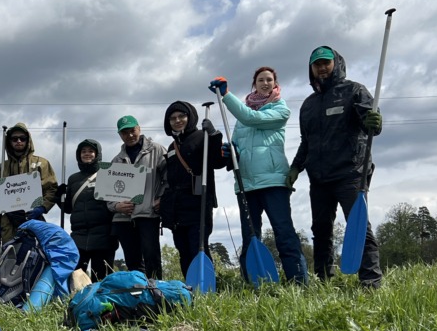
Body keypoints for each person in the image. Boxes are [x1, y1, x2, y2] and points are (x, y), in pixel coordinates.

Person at [287, 46, 384, 287]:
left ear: (336, 64)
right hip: (318, 177)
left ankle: (371, 281)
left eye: (326, 63)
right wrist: (296, 167)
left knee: (358, 225)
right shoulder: (308, 105)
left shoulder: (354, 91)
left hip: (350, 172)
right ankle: (323, 279)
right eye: (317, 64)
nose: (321, 68)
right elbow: (306, 142)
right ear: (311, 69)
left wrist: (375, 121)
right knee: (321, 230)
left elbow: (371, 126)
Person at [215, 71, 308, 284]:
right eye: (260, 80)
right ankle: (252, 282)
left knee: (283, 232)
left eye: (269, 80)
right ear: (254, 84)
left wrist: (226, 95)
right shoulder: (242, 115)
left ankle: (299, 281)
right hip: (246, 183)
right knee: (250, 236)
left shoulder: (280, 109)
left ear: (275, 84)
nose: (265, 83)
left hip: (273, 181)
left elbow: (252, 118)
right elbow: (238, 141)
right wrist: (230, 152)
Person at [160, 101, 227, 278]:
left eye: (182, 116)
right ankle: (189, 289)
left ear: (190, 117)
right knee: (183, 250)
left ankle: (207, 289)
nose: (177, 120)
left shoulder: (201, 137)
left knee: (198, 247)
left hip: (198, 203)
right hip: (177, 208)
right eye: (173, 118)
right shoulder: (172, 147)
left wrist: (214, 135)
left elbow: (217, 162)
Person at [108, 115, 166, 279]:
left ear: (139, 129)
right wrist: (116, 206)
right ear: (120, 135)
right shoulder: (115, 161)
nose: (130, 135)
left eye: (132, 130)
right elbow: (107, 195)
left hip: (148, 213)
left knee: (151, 257)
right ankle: (139, 296)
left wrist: (162, 198)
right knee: (132, 261)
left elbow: (170, 179)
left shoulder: (158, 150)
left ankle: (157, 294)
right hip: (122, 219)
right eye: (124, 132)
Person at [0, 123, 58, 246]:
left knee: (34, 257)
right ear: (9, 142)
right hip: (8, 223)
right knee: (10, 259)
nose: (18, 141)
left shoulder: (41, 163)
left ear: (28, 140)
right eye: (14, 139)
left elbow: (52, 189)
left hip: (33, 218)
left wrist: (42, 207)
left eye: (22, 138)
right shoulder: (1, 168)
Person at [58, 138, 117, 281]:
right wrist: (59, 198)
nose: (87, 154)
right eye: (83, 151)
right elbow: (69, 209)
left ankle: (102, 304)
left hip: (103, 237)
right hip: (79, 237)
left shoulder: (107, 173)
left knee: (101, 280)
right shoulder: (73, 179)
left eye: (91, 151)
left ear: (97, 154)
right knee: (76, 280)